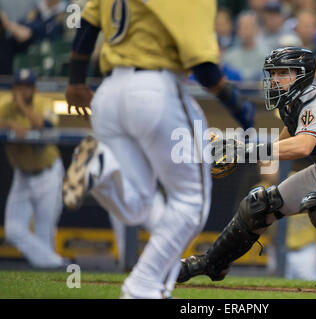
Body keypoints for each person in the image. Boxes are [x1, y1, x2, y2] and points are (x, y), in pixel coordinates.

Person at [62, 0, 255, 299]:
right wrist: (238, 108)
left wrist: (75, 80)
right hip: (155, 87)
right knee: (191, 202)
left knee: (139, 203)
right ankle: (144, 285)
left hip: (109, 94)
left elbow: (87, 25)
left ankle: (103, 168)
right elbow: (203, 67)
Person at [177, 47, 316, 293]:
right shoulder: (292, 104)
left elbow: (302, 148)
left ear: (302, 75)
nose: (275, 79)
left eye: (283, 73)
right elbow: (284, 144)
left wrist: (244, 150)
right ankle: (212, 263)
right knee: (259, 205)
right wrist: (241, 151)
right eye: (273, 74)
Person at [0, 69, 66, 269]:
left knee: (44, 231)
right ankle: (58, 264)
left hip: (48, 174)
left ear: (34, 89)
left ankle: (49, 274)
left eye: (27, 87)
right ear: (14, 89)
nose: (23, 91)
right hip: (22, 175)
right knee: (12, 230)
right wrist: (9, 123)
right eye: (19, 87)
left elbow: (46, 127)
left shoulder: (45, 103)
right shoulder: (5, 108)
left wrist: (22, 107)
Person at [222, 11, 268, 82]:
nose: (245, 31)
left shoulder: (266, 56)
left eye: (249, 27)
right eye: (242, 27)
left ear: (257, 29)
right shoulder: (228, 56)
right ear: (237, 30)